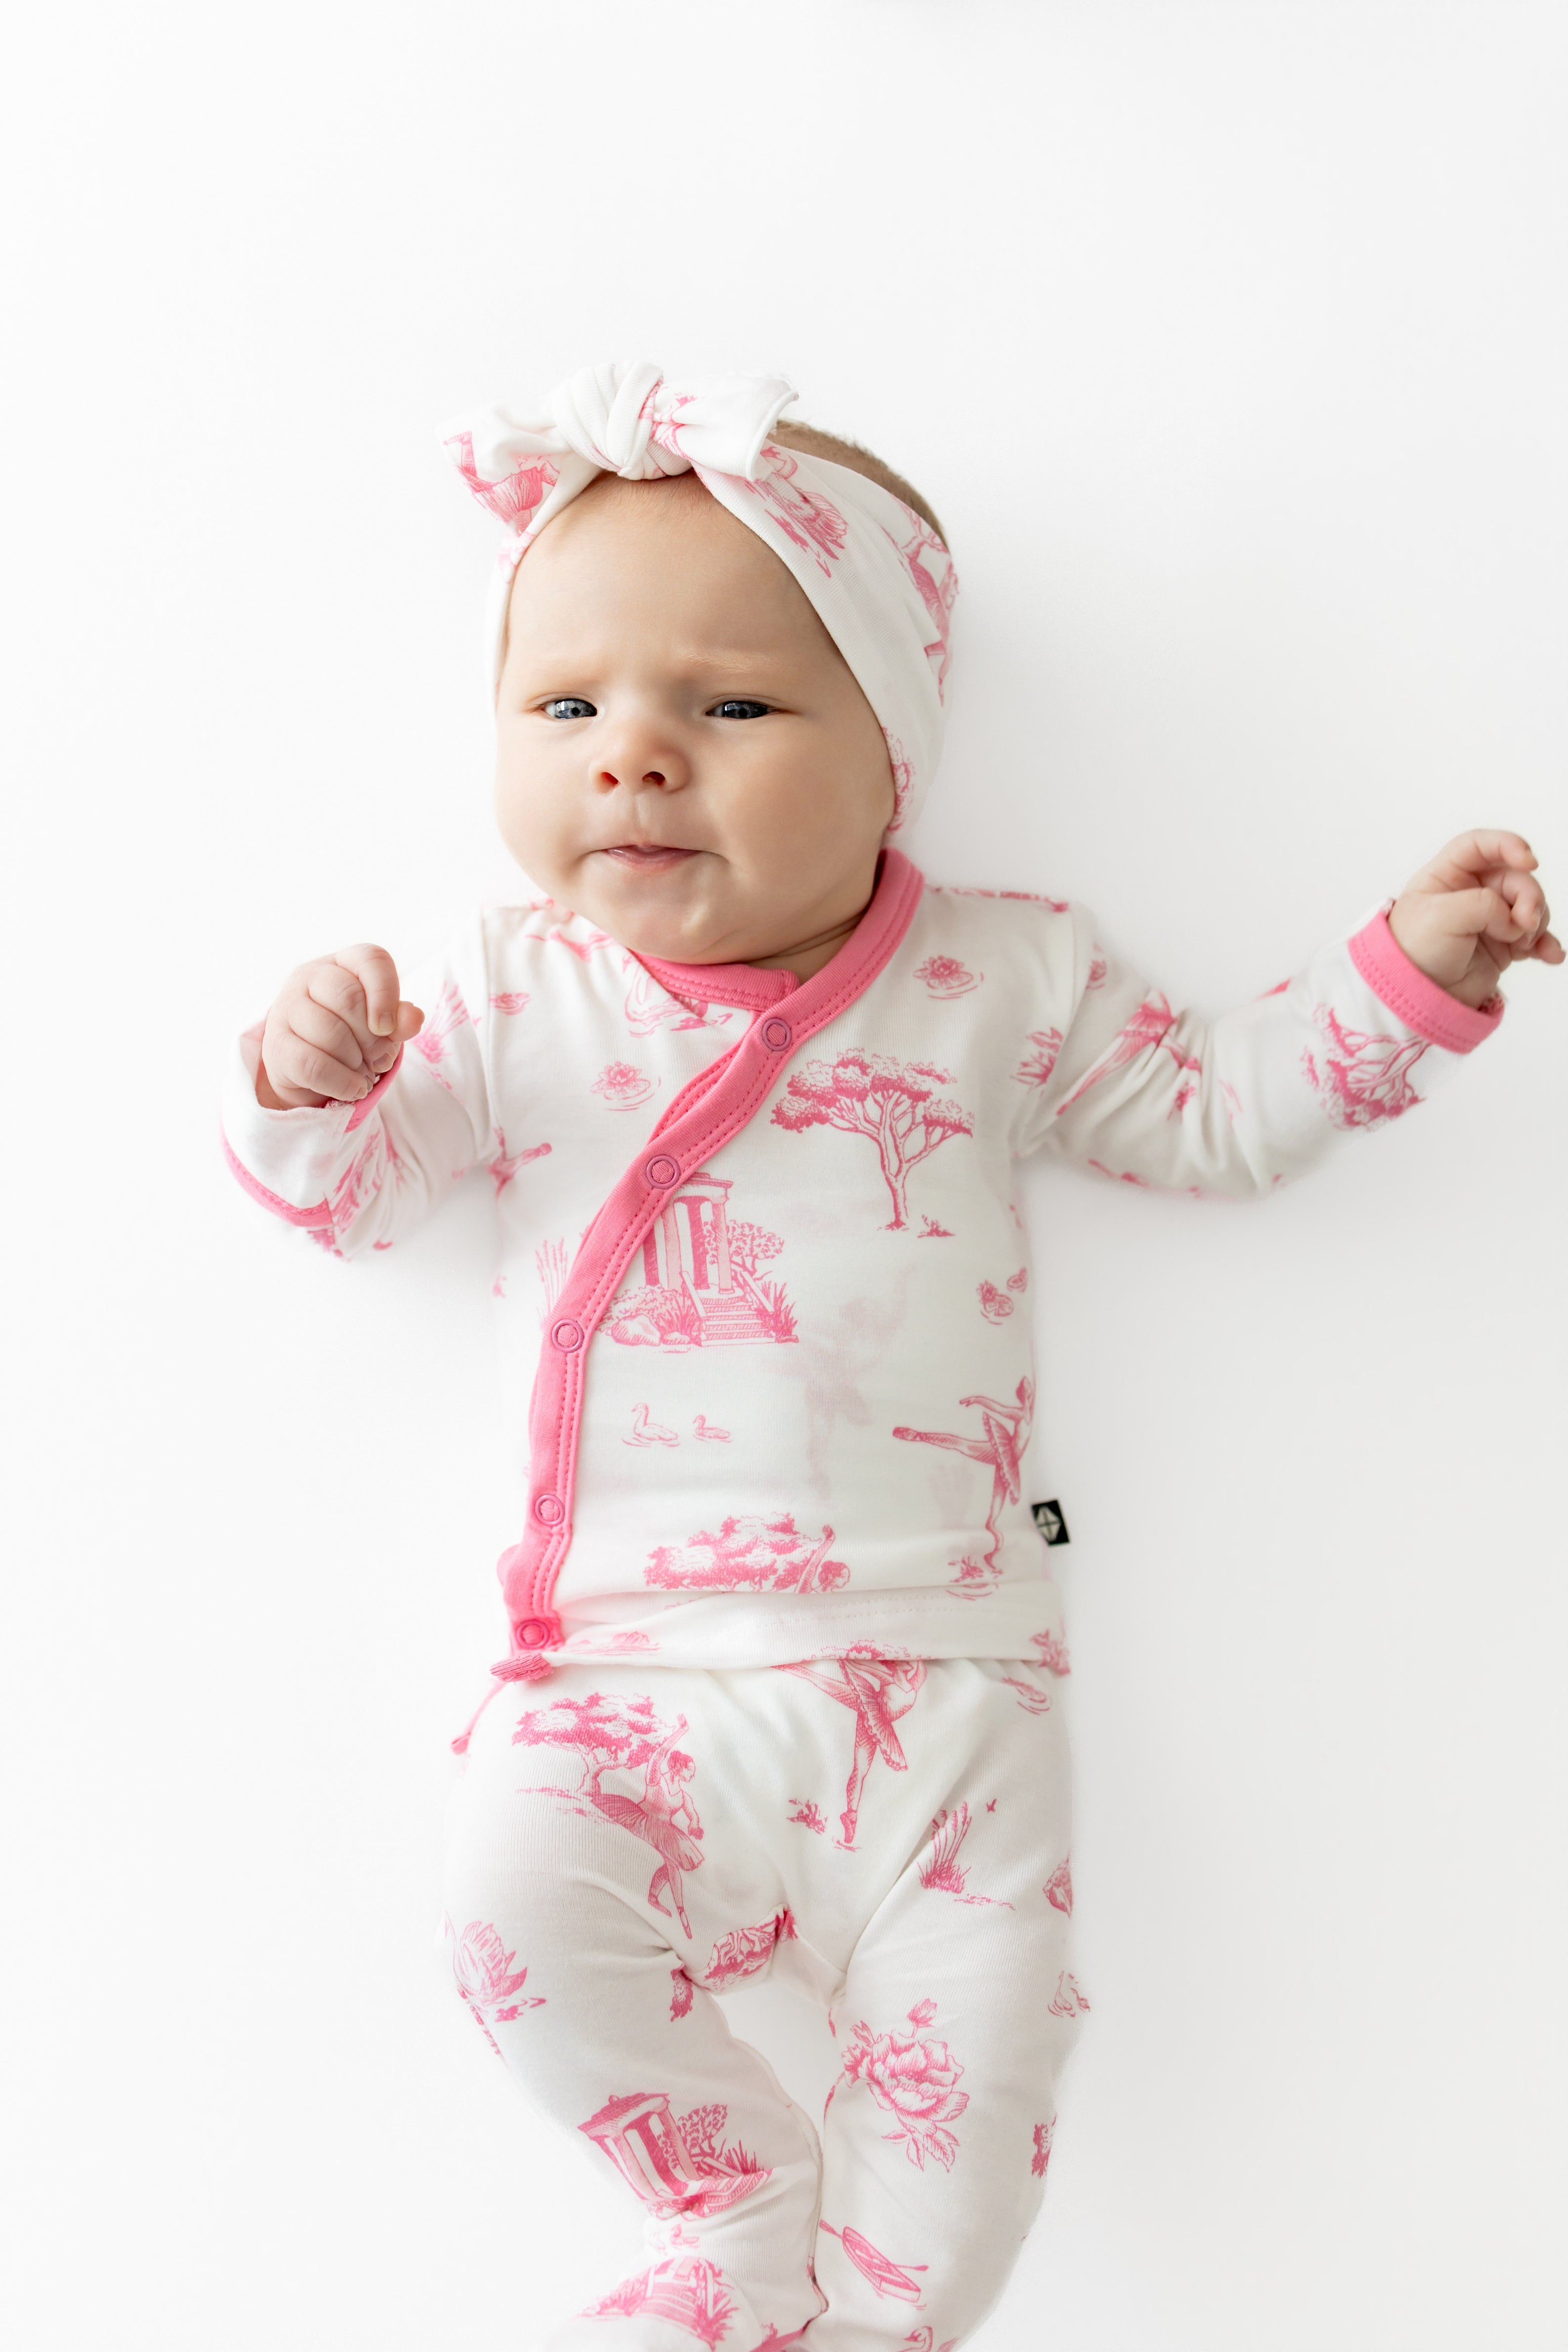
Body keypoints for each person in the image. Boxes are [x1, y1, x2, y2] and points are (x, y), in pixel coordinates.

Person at [221, 360, 1560, 2349]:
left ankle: (856, 2325)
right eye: (567, 708)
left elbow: (1212, 1109)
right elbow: (355, 1200)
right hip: (617, 1676)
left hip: (942, 1693)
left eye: (731, 707)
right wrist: (307, 1082)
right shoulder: (505, 993)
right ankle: (730, 2196)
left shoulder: (1001, 979)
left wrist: (1401, 981)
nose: (632, 759)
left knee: (971, 2125)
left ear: (890, 758)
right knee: (509, 1908)